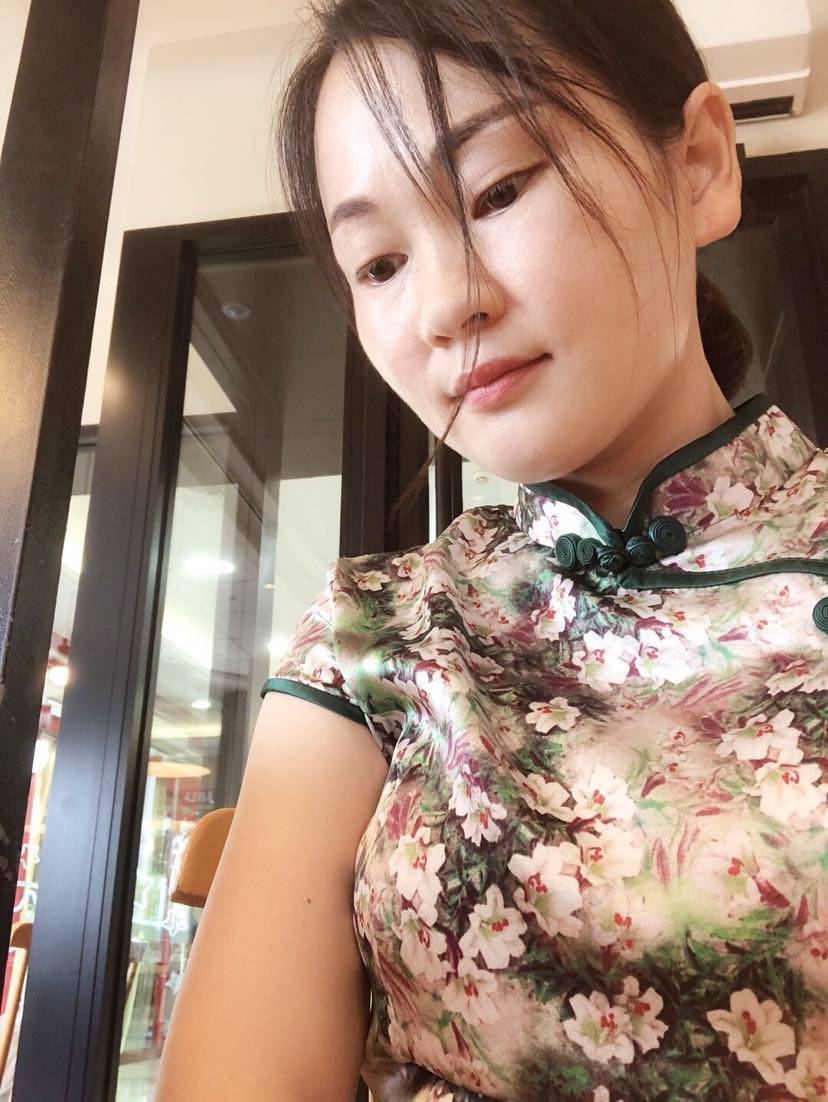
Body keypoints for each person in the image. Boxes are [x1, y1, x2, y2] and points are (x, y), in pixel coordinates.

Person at [155, 1, 828, 1099]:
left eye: (498, 190)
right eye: (379, 263)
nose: (444, 305)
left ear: (699, 165)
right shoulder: (375, 633)